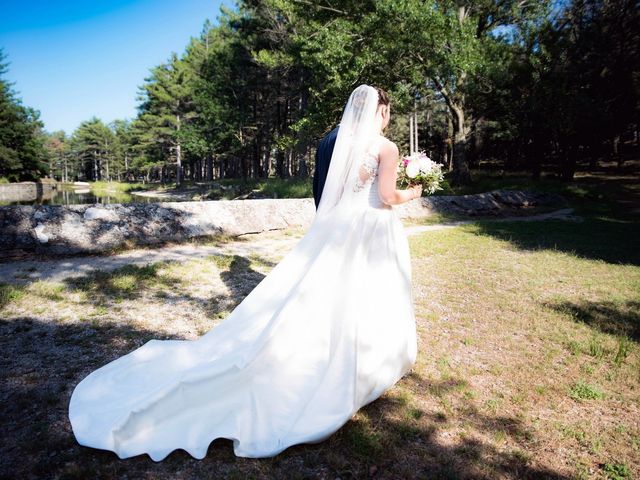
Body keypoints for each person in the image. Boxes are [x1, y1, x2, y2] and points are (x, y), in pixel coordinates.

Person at [68, 84, 423, 461]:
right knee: (366, 293)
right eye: (387, 111)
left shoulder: (338, 141)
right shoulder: (385, 147)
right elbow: (386, 196)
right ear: (380, 111)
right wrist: (415, 191)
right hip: (370, 227)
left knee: (330, 292)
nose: (387, 117)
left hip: (337, 227)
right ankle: (370, 357)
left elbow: (330, 191)